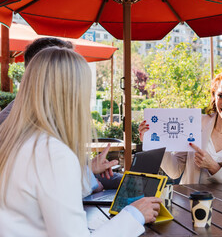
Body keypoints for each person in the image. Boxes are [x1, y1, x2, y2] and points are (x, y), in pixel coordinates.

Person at [0, 47, 161, 236]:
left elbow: (39, 200)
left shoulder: (16, 140)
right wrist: (135, 215)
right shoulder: (53, 152)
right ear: (72, 95)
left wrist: (87, 173)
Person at [0, 37, 120, 195]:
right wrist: (90, 182)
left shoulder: (42, 115)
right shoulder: (24, 125)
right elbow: (53, 181)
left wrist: (89, 168)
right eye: (67, 70)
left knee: (130, 184)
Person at [139, 69, 222, 184]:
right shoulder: (195, 123)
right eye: (220, 96)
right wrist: (153, 142)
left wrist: (214, 167)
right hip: (189, 205)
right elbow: (174, 171)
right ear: (214, 97)